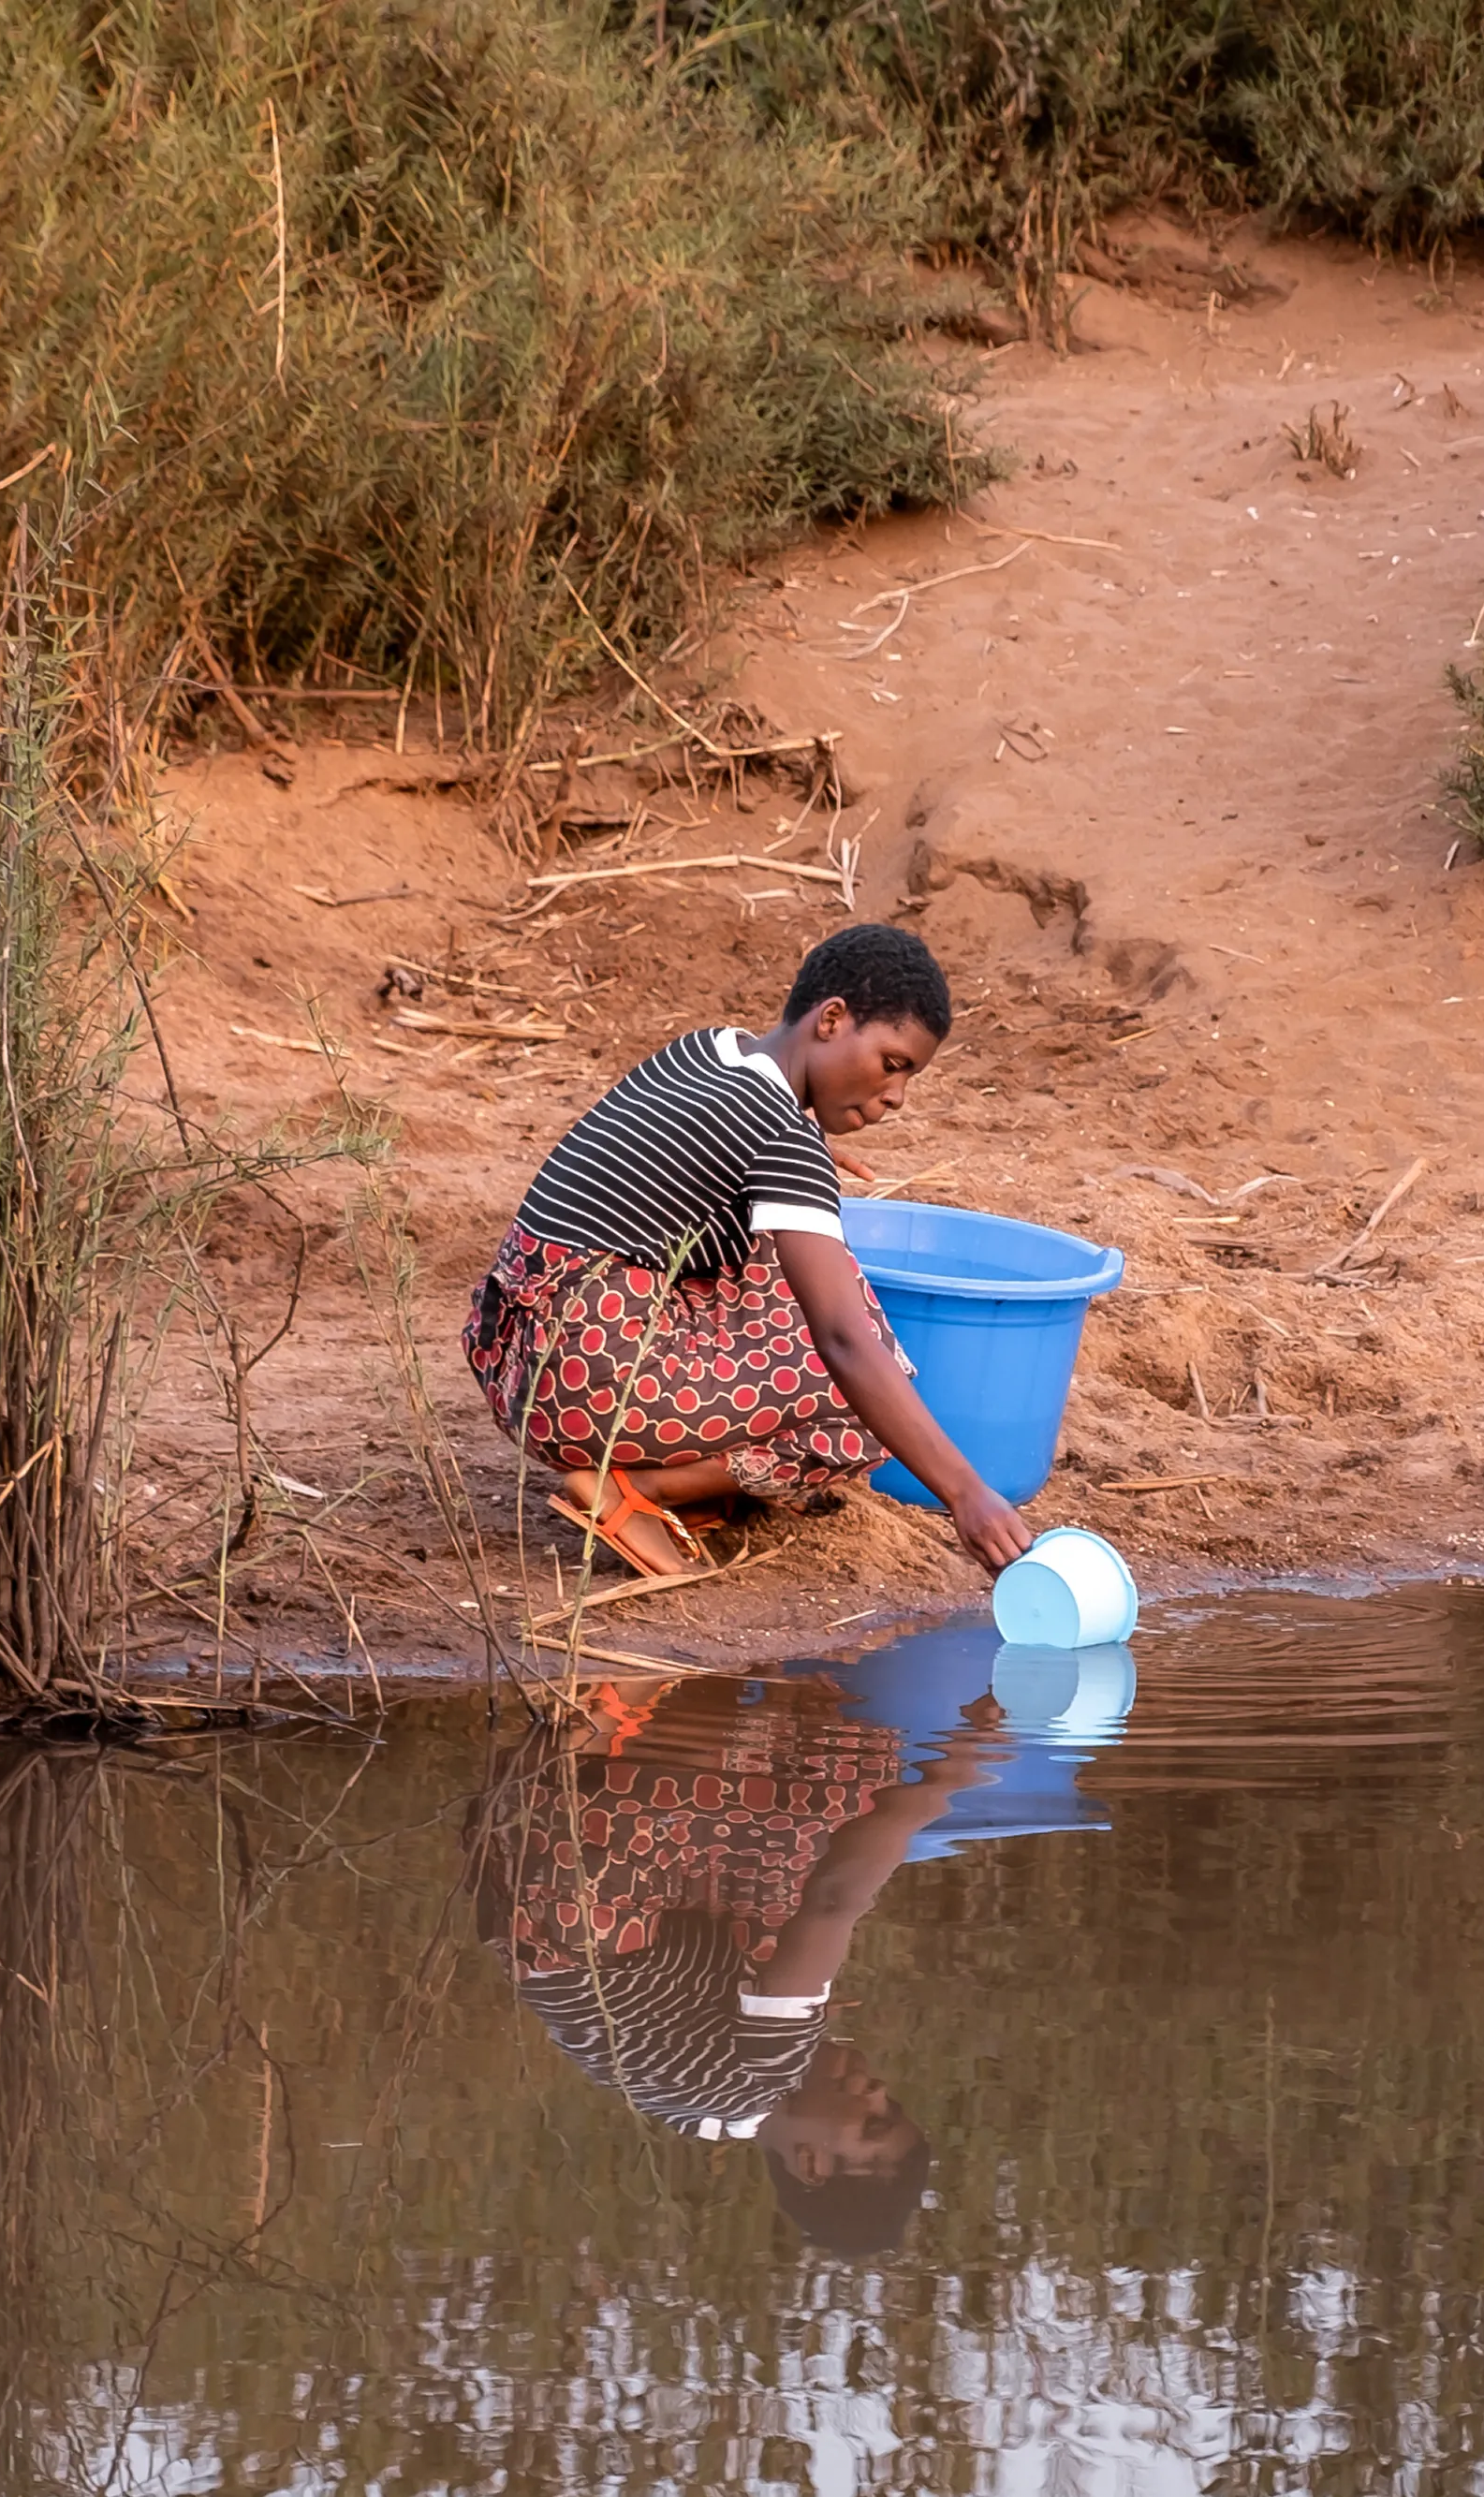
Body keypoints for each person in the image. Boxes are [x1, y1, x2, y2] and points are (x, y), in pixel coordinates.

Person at [460, 922, 1035, 1579]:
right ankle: (642, 1489)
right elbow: (844, 1340)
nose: (896, 1095)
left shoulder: (711, 1050)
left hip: (514, 1348)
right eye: (892, 1063)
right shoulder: (781, 1134)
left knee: (784, 1259)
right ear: (832, 1020)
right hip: (582, 1380)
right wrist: (965, 1493)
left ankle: (656, 1474)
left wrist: (805, 1158)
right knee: (870, 1394)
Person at [476, 1670, 1010, 2258]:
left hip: (577, 1876)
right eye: (894, 2107)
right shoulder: (717, 2109)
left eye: (873, 2124)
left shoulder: (763, 2079)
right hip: (523, 1854)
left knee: (850, 1792)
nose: (881, 2091)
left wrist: (955, 1767)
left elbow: (836, 1896)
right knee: (789, 1906)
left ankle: (629, 1699)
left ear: (810, 2162)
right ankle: (689, 1703)